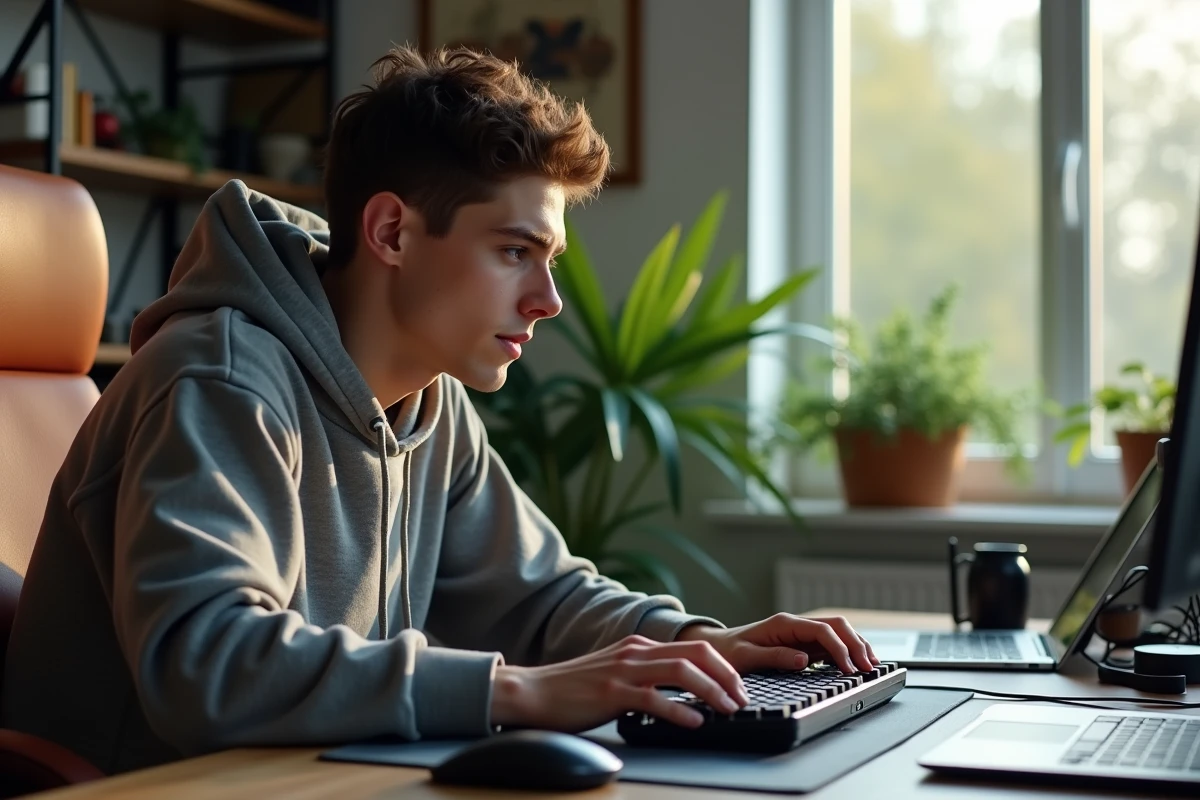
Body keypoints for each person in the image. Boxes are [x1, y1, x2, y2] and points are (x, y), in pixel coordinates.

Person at [0, 46, 877, 775]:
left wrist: (702, 645)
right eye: (514, 251)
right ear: (391, 233)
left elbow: (540, 597)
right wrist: (519, 691)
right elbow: (210, 664)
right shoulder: (220, 378)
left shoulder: (430, 401)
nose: (547, 300)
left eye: (552, 258)